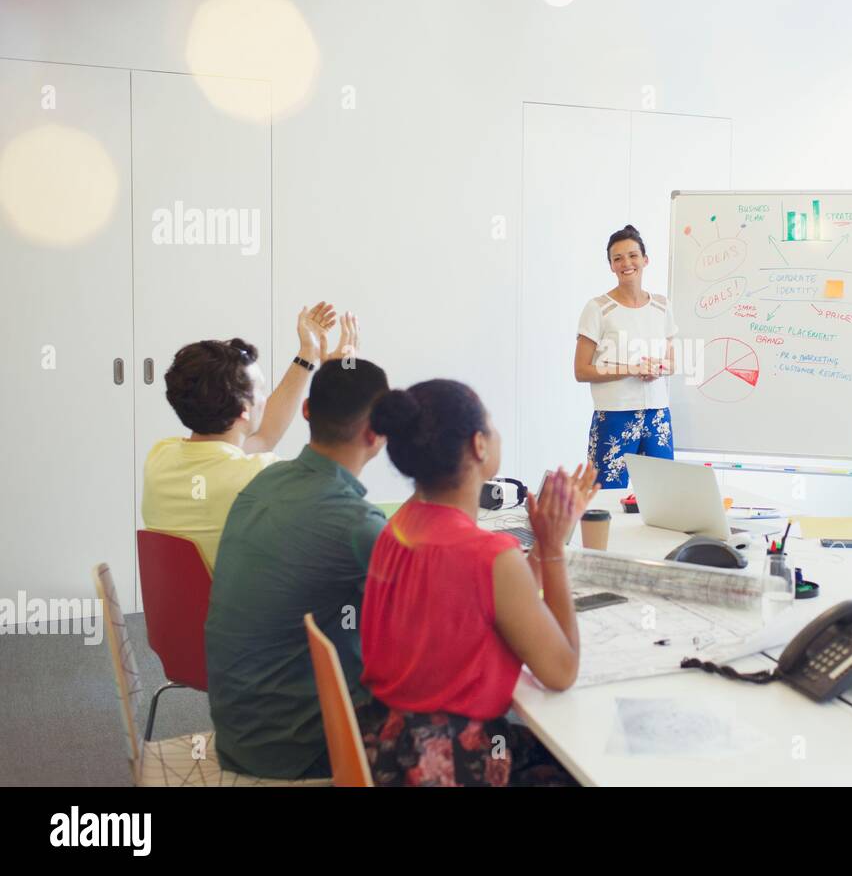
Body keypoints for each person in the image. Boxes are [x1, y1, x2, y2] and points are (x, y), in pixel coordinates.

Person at [359, 379, 597, 786]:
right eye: (492, 425)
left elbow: (505, 602)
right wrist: (555, 548)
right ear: (479, 446)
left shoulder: (396, 528)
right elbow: (561, 671)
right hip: (449, 764)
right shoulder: (488, 555)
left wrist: (541, 542)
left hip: (385, 747)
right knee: (587, 763)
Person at [204, 358, 389, 779]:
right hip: (301, 751)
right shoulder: (357, 523)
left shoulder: (264, 483)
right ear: (378, 433)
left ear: (306, 411)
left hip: (237, 734)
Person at [141, 305, 358, 571]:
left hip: (176, 612)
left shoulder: (160, 457)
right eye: (261, 392)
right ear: (244, 410)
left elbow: (264, 436)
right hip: (240, 612)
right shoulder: (261, 474)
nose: (266, 401)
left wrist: (308, 355)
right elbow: (337, 489)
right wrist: (336, 381)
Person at [574, 224, 678, 488]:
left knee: (663, 493)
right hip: (614, 414)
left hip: (657, 414)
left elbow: (672, 363)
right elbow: (582, 370)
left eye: (632, 255)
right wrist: (631, 368)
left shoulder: (661, 306)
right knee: (606, 495)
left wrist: (658, 367)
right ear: (611, 266)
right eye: (617, 258)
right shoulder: (598, 308)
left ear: (645, 259)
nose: (626, 263)